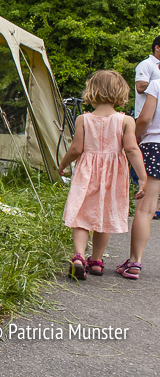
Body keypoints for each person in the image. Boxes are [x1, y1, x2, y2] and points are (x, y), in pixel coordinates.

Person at [58, 70, 146, 280]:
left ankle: (79, 257)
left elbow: (76, 149)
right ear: (120, 92)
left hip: (86, 173)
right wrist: (142, 177)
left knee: (81, 216)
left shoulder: (83, 119)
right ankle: (96, 261)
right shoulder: (126, 121)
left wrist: (63, 164)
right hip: (113, 176)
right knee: (104, 217)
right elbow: (131, 149)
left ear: (92, 90)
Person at [118, 70, 160, 279]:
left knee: (146, 209)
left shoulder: (157, 84)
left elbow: (144, 118)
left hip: (155, 147)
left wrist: (133, 136)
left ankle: (135, 262)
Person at [134, 35, 160, 218]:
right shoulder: (146, 64)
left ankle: (154, 205)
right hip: (146, 120)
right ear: (157, 47)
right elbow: (140, 86)